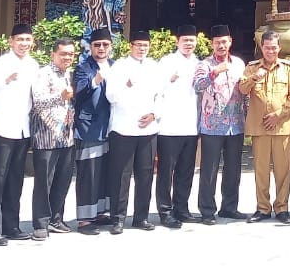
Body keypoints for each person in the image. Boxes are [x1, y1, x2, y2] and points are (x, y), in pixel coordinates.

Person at [0, 23, 39, 245]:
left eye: (27, 40)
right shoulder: (2, 62)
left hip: (22, 128)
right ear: (11, 41)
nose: (24, 44)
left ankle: (11, 225)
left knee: (16, 180)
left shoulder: (34, 65)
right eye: (20, 40)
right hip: (1, 128)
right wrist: (5, 80)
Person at [104, 28, 162, 232]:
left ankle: (141, 217)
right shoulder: (120, 66)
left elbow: (162, 95)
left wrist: (155, 113)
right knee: (121, 175)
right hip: (124, 128)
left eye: (145, 46)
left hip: (148, 129)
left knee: (145, 174)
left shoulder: (155, 67)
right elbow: (110, 95)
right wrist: (126, 86)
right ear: (131, 46)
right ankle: (117, 218)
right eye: (138, 45)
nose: (142, 49)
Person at [240, 30, 290, 224]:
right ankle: (262, 208)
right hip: (259, 126)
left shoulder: (288, 68)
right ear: (261, 48)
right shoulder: (252, 68)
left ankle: (282, 208)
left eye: (274, 47)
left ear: (279, 48)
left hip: (281, 126)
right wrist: (255, 77)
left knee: (283, 170)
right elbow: (242, 89)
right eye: (267, 48)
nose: (271, 51)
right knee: (261, 170)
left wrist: (279, 114)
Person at [194, 24, 248, 224]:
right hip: (212, 125)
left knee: (233, 169)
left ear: (230, 42)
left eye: (224, 42)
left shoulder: (240, 64)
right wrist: (214, 72)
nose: (221, 46)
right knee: (209, 169)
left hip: (236, 124)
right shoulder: (204, 65)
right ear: (211, 44)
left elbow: (245, 92)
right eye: (217, 43)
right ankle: (207, 210)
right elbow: (197, 86)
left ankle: (229, 207)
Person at [30, 39, 77, 240]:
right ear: (53, 55)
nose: (67, 57)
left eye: (70, 54)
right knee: (44, 182)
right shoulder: (43, 74)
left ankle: (56, 219)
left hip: (66, 136)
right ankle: (40, 224)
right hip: (46, 135)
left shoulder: (68, 74)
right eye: (63, 54)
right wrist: (61, 96)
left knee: (62, 179)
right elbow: (38, 102)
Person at [155, 24, 201, 229]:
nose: (189, 44)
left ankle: (181, 208)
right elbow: (155, 88)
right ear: (177, 41)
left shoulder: (199, 63)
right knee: (166, 171)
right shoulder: (166, 62)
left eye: (192, 41)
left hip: (191, 125)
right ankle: (165, 211)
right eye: (185, 40)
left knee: (186, 170)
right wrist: (168, 79)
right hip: (169, 126)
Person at [73, 28, 115, 234]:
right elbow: (77, 95)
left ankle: (100, 213)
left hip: (110, 126)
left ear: (111, 46)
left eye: (105, 44)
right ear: (90, 47)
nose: (101, 48)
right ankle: (84, 220)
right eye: (97, 45)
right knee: (88, 173)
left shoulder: (115, 66)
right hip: (89, 127)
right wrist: (94, 81)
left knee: (104, 172)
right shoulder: (83, 67)